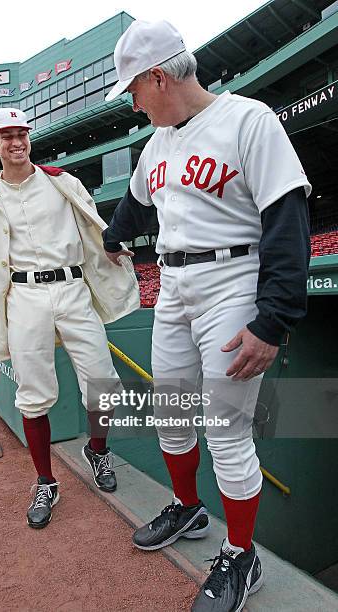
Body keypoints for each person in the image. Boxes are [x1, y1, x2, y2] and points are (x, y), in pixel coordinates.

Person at [103, 20, 311, 612]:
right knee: (171, 413)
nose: (135, 104)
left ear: (158, 77)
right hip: (173, 284)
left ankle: (242, 556)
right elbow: (136, 205)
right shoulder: (158, 143)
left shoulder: (249, 121)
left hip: (234, 282)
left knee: (225, 430)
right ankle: (189, 508)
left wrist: (272, 321)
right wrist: (113, 239)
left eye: (135, 91)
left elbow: (288, 220)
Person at [0, 107, 139, 530]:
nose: (17, 142)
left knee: (104, 385)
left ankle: (98, 450)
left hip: (72, 289)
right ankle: (46, 481)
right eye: (7, 136)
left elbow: (94, 228)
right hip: (25, 296)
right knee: (33, 394)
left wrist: (112, 246)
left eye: (22, 134)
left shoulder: (61, 182)